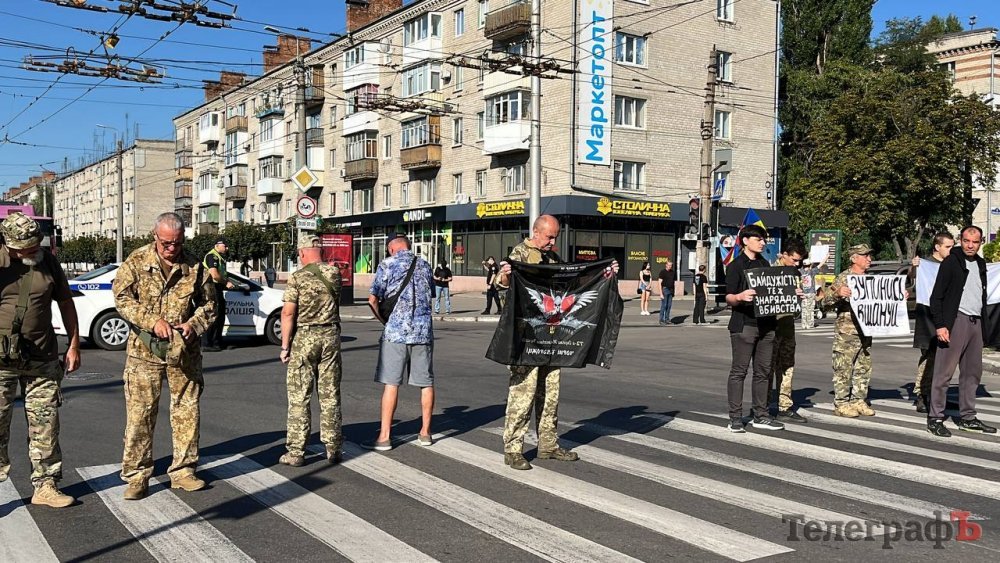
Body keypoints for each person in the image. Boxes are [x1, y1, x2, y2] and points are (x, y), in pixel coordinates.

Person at [495, 215, 619, 470]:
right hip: (525, 339)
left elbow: (572, 285)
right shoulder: (519, 254)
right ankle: (513, 449)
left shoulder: (552, 259)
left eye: (555, 237)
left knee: (550, 393)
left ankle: (548, 444)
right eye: (549, 237)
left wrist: (604, 273)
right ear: (536, 232)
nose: (553, 242)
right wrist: (505, 275)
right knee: (523, 394)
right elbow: (501, 284)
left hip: (552, 338)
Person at [112, 212, 217, 500]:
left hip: (184, 353)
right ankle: (137, 475)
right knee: (141, 414)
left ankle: (183, 471)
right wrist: (151, 321)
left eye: (177, 243)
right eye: (166, 243)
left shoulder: (194, 266)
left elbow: (210, 305)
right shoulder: (137, 261)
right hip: (144, 352)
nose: (172, 248)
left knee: (187, 411)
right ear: (155, 237)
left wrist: (194, 325)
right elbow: (122, 298)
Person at [0, 212, 81, 508]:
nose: (34, 250)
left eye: (37, 244)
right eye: (27, 247)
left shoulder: (47, 261)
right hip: (1, 361)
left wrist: (74, 344)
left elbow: (66, 302)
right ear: (9, 245)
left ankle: (46, 485)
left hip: (42, 357)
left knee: (45, 423)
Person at [365, 234, 435, 451]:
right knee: (426, 383)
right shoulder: (425, 265)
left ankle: (384, 437)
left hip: (395, 332)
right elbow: (430, 295)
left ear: (391, 248)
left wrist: (384, 320)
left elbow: (372, 299)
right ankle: (425, 433)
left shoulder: (387, 264)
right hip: (422, 332)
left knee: (392, 384)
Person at [278, 235, 344, 465]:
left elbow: (288, 313)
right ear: (321, 252)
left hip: (305, 337)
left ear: (302, 253)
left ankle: (296, 451)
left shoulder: (298, 277)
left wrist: (285, 346)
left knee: (299, 396)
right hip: (330, 336)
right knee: (330, 394)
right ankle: (333, 447)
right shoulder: (334, 274)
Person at [927, 226, 996, 437]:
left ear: (981, 242)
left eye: (975, 242)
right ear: (960, 240)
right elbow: (936, 297)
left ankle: (968, 417)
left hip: (976, 323)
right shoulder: (951, 262)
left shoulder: (981, 263)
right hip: (955, 321)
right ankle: (935, 417)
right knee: (944, 373)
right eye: (966, 241)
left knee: (972, 374)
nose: (970, 245)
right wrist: (941, 325)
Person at [724, 224, 784, 432]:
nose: (763, 243)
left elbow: (773, 291)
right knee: (739, 372)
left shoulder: (764, 264)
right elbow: (728, 297)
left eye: (764, 239)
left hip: (766, 325)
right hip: (744, 325)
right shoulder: (735, 265)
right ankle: (735, 418)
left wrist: (789, 294)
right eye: (758, 239)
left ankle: (761, 414)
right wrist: (740, 297)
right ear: (745, 240)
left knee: (763, 372)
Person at [824, 244, 876, 418]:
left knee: (863, 367)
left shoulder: (870, 279)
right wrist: (838, 293)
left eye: (869, 256)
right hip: (847, 331)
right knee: (843, 368)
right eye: (865, 256)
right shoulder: (843, 278)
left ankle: (858, 400)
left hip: (866, 330)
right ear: (854, 258)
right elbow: (824, 302)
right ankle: (841, 403)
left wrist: (898, 296)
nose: (869, 259)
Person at [910, 232, 954, 413]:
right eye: (948, 247)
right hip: (928, 315)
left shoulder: (952, 264)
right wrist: (914, 267)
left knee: (945, 359)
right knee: (929, 357)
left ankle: (938, 396)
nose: (951, 250)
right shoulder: (926, 264)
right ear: (937, 247)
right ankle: (922, 394)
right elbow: (912, 278)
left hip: (947, 315)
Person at [770, 239, 807, 424]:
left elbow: (796, 306)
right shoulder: (769, 271)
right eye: (794, 259)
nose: (797, 264)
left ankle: (784, 406)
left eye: (799, 261)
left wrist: (799, 297)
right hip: (770, 327)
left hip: (787, 326)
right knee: (767, 368)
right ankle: (764, 406)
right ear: (784, 255)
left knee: (787, 367)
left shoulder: (795, 274)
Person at [203, 238, 233, 351]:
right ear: (217, 245)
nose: (227, 248)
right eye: (225, 246)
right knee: (214, 316)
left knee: (220, 316)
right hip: (212, 288)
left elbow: (222, 274)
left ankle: (217, 342)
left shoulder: (219, 257)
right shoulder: (212, 256)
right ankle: (208, 344)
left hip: (217, 288)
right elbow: (214, 275)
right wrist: (226, 283)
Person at [800, 259, 818, 330]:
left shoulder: (800, 271)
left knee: (804, 309)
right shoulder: (812, 271)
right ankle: (810, 324)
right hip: (811, 292)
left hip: (803, 293)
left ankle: (804, 324)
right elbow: (820, 265)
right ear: (810, 265)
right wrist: (826, 257)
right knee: (810, 309)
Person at [657, 261, 676, 325]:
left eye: (671, 265)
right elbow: (659, 282)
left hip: (671, 290)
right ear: (666, 265)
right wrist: (661, 293)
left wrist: (673, 292)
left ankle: (667, 319)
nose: (670, 266)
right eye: (669, 265)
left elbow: (673, 282)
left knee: (669, 306)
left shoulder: (673, 272)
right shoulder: (663, 272)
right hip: (665, 289)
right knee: (664, 305)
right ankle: (661, 320)